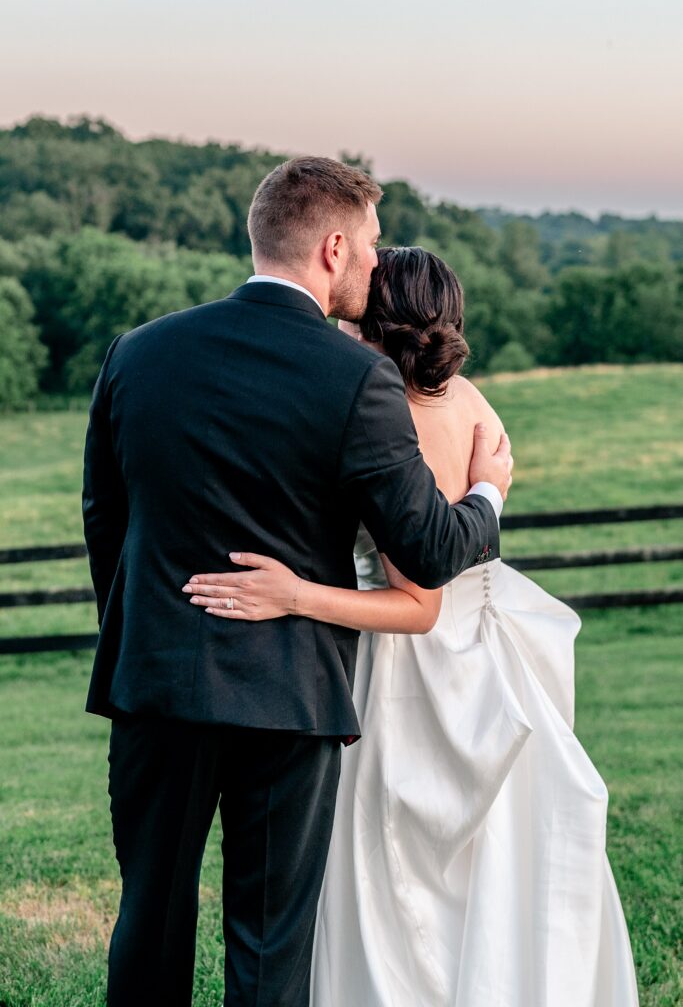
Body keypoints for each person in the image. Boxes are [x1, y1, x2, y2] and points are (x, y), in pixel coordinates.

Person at [82, 159, 512, 1006]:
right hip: (288, 698)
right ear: (334, 246)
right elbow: (426, 549)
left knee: (149, 918)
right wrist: (489, 491)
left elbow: (106, 513)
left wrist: (138, 632)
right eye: (372, 247)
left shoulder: (139, 352)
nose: (376, 268)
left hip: (156, 681)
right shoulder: (357, 377)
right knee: (270, 944)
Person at [184, 247, 640, 1006]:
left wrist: (295, 593)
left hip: (413, 667)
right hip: (489, 657)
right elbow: (467, 532)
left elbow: (417, 605)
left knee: (394, 869)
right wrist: (487, 497)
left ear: (370, 328)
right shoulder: (465, 397)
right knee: (494, 860)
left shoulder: (378, 412)